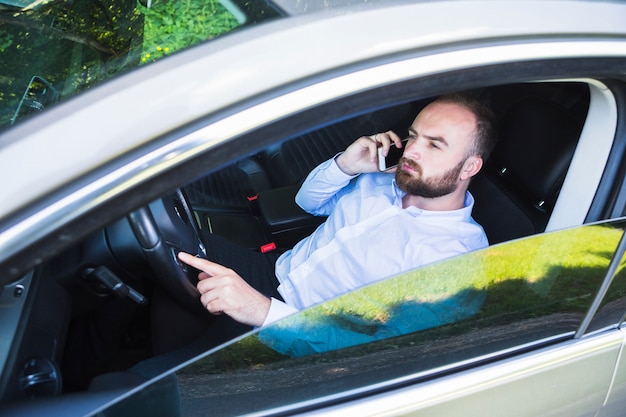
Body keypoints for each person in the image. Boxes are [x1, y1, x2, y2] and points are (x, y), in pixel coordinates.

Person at [177, 93, 497, 349]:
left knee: (152, 388)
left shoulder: (455, 264)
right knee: (171, 240)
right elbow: (307, 202)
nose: (412, 151)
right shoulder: (383, 181)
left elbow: (374, 351)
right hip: (277, 272)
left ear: (470, 167)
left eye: (434, 144)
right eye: (413, 137)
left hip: (303, 336)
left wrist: (262, 311)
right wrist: (346, 164)